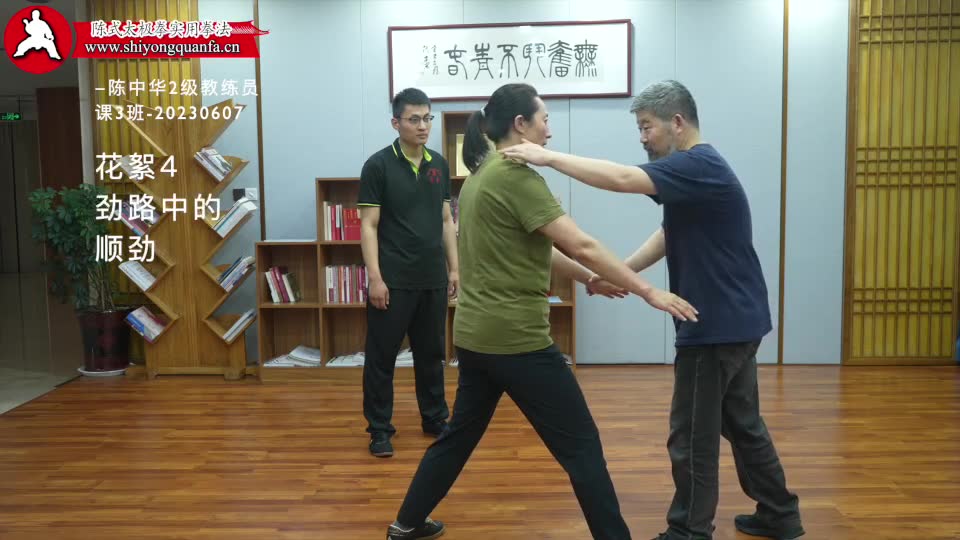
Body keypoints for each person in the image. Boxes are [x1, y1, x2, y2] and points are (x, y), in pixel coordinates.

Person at [385, 82, 698, 540]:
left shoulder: (479, 176)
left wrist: (587, 279)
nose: (549, 131)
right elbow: (581, 243)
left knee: (458, 438)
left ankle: (407, 523)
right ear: (520, 124)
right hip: (518, 342)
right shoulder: (517, 178)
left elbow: (539, 246)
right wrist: (648, 290)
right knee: (582, 447)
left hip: (475, 338)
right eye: (544, 119)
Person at [502, 80, 804, 540]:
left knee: (692, 435)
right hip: (740, 320)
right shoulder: (700, 172)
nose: (642, 138)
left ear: (677, 122)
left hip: (712, 324)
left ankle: (689, 531)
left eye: (647, 127)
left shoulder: (696, 163)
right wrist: (620, 272)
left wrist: (548, 158)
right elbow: (668, 235)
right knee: (742, 423)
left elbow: (624, 179)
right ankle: (780, 513)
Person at [358, 88, 457, 458]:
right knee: (381, 359)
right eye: (414, 119)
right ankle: (379, 430)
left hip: (432, 278)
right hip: (393, 280)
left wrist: (454, 268)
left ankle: (434, 418)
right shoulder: (378, 166)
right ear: (395, 123)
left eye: (427, 118)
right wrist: (375, 277)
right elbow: (369, 225)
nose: (422, 126)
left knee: (431, 355)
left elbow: (446, 220)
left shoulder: (439, 165)